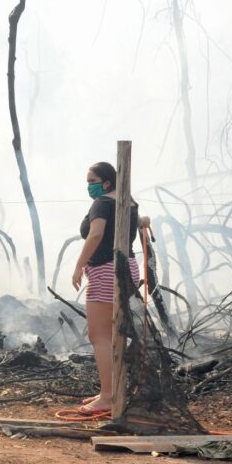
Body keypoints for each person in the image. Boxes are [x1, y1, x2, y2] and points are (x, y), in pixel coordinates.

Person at [71, 161, 147, 414]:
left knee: (99, 335)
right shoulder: (129, 201)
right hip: (128, 268)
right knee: (115, 333)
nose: (88, 186)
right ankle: (113, 390)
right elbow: (128, 222)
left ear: (106, 182)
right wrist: (143, 221)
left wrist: (79, 266)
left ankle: (107, 397)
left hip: (106, 271)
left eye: (92, 181)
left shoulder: (102, 202)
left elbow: (96, 235)